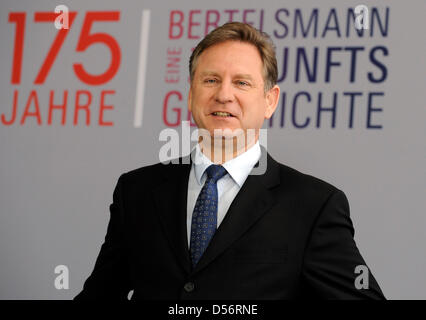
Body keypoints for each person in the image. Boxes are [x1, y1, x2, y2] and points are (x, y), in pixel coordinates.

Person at [75, 22, 385, 300]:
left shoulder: (314, 206)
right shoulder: (136, 191)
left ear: (270, 100)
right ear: (190, 93)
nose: (224, 95)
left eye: (242, 83)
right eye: (210, 80)